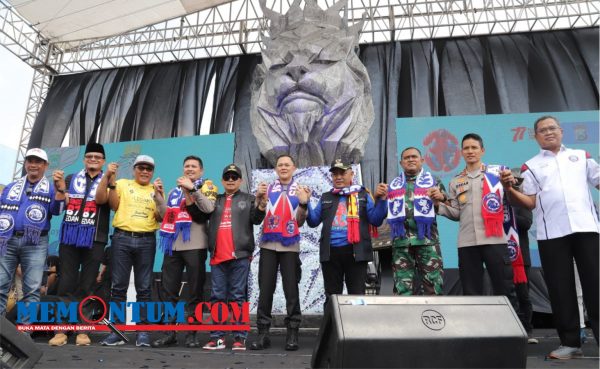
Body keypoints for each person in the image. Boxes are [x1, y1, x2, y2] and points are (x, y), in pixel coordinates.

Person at [501, 116, 599, 360]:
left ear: (561, 131)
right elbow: (529, 202)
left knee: (596, 284)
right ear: (535, 137)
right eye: (542, 130)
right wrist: (510, 189)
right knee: (559, 288)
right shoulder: (530, 166)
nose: (548, 132)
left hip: (586, 228)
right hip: (551, 234)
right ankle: (570, 343)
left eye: (552, 128)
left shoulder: (581, 156)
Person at [430, 133, 518, 310]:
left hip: (495, 240)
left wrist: (512, 184)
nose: (470, 151)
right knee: (471, 292)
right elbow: (456, 213)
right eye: (466, 148)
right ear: (461, 152)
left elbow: (515, 200)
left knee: (504, 288)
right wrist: (438, 204)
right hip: (467, 242)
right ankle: (477, 331)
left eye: (474, 147)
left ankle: (514, 332)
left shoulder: (499, 174)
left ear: (482, 151)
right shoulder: (456, 181)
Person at [151, 156, 218, 348]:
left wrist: (192, 189)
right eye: (187, 166)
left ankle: (191, 333)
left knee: (195, 292)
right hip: (173, 246)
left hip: (195, 245)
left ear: (201, 171)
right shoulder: (174, 191)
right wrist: (159, 197)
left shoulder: (207, 187)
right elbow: (165, 216)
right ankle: (169, 332)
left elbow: (208, 209)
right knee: (168, 291)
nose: (189, 169)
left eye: (194, 166)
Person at [49, 142, 110, 347]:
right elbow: (62, 203)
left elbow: (109, 203)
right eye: (89, 156)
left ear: (103, 161)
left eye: (97, 157)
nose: (93, 159)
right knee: (65, 283)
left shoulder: (108, 180)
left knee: (88, 284)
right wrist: (60, 190)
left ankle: (83, 329)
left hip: (96, 237)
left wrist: (110, 181)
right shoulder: (71, 178)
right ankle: (61, 329)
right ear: (84, 159)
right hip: (70, 237)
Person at [95, 154, 160, 347]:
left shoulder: (155, 189)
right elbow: (113, 205)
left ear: (152, 172)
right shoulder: (122, 183)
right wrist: (111, 181)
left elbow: (160, 216)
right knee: (118, 288)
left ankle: (143, 332)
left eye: (148, 169)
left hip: (147, 240)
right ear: (134, 170)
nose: (145, 171)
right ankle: (116, 332)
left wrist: (160, 197)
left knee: (144, 289)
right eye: (141, 167)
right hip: (122, 238)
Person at [200, 164, 266, 351]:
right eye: (227, 177)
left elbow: (257, 219)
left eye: (234, 177)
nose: (230, 180)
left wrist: (261, 203)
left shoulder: (249, 198)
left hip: (240, 255)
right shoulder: (214, 200)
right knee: (217, 297)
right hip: (217, 256)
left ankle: (239, 338)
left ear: (240, 180)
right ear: (222, 180)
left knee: (238, 296)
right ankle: (217, 337)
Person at [306, 159, 387, 307]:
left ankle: (357, 330)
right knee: (332, 297)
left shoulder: (362, 194)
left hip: (356, 252)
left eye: (342, 173)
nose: (338, 177)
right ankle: (332, 329)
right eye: (335, 174)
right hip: (331, 254)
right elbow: (312, 222)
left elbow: (375, 220)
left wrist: (381, 200)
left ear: (351, 174)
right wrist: (305, 204)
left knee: (357, 296)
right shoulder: (326, 197)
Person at [0, 148, 65, 326]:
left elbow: (57, 211)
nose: (33, 165)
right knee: (1, 286)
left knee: (32, 289)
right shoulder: (12, 187)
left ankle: (24, 332)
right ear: (26, 164)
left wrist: (60, 191)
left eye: (38, 161)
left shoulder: (52, 188)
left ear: (45, 165)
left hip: (35, 242)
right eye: (30, 161)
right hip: (8, 239)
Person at [250, 155, 308, 351]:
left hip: (290, 246)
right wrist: (259, 200)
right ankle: (263, 333)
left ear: (294, 167)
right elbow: (257, 218)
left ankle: (292, 333)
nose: (283, 167)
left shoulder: (300, 189)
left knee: (291, 290)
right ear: (276, 168)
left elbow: (300, 222)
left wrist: (303, 204)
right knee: (265, 289)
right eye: (280, 164)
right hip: (268, 245)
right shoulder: (266, 188)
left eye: (287, 165)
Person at [388, 147, 445, 296]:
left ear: (422, 160)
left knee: (433, 288)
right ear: (401, 163)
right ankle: (406, 319)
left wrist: (441, 199)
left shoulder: (434, 181)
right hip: (401, 244)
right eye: (407, 158)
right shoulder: (393, 185)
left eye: (414, 156)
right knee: (403, 291)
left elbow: (449, 207)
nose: (411, 159)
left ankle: (435, 318)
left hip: (427, 242)